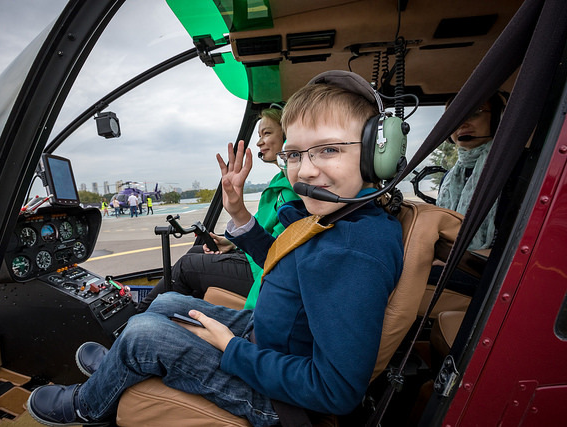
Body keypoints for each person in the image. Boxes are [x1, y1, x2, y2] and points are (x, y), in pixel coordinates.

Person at [26, 70, 404, 427]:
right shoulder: (344, 219)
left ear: (376, 156)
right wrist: (237, 210)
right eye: (295, 154)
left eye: (328, 150)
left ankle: (87, 405)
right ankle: (122, 366)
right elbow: (287, 264)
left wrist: (231, 348)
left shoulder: (352, 253)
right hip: (276, 337)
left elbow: (335, 392)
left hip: (282, 402)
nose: (304, 171)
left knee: (143, 333)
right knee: (166, 303)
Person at [135, 106, 300, 313]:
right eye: (258, 135)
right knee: (196, 250)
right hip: (258, 258)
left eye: (266, 133)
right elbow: (262, 229)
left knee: (187, 266)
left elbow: (279, 252)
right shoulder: (279, 181)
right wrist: (231, 242)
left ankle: (138, 316)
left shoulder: (296, 190)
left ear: (287, 136)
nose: (259, 142)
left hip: (265, 269)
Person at [436, 92, 506, 251]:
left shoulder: (514, 168)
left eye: (474, 114)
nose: (462, 124)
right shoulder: (449, 178)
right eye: (455, 119)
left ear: (498, 118)